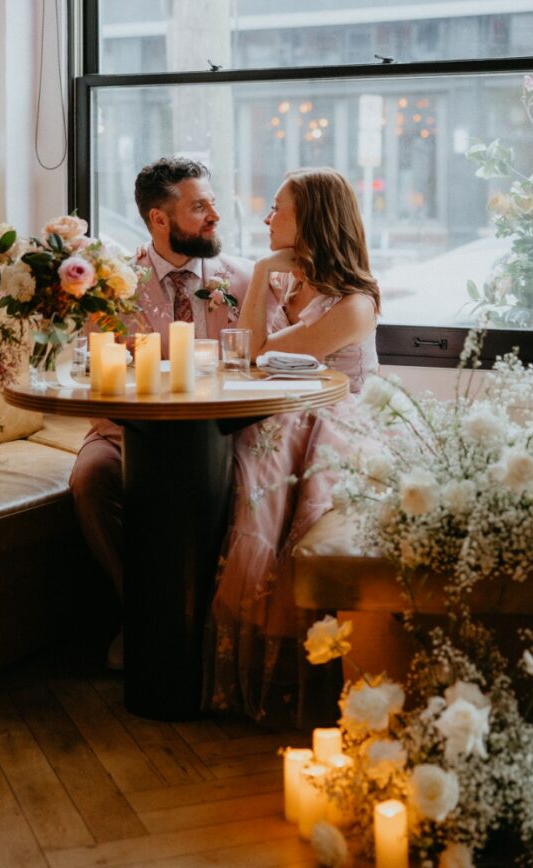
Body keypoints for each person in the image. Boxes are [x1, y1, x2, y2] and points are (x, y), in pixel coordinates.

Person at [204, 167, 380, 726]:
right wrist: (263, 274)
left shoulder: (354, 302)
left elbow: (260, 356)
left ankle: (289, 670)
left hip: (333, 422)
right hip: (281, 415)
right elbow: (248, 348)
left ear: (310, 218)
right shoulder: (283, 281)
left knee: (263, 461)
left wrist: (260, 271)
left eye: (277, 207)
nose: (266, 217)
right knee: (230, 452)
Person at [69, 156, 254, 667]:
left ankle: (210, 627)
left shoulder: (244, 279)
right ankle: (146, 615)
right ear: (159, 219)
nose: (214, 216)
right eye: (199, 207)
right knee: (89, 479)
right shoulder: (109, 282)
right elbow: (93, 367)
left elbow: (262, 363)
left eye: (213, 203)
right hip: (126, 433)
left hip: (221, 435)